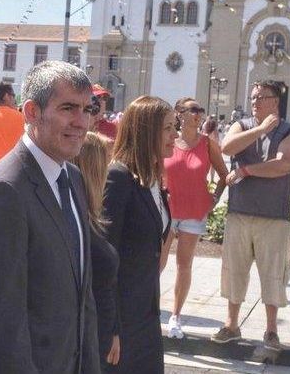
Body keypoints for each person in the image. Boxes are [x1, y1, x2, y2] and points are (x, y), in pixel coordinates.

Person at [0, 61, 100, 373]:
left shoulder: (73, 179)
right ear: (31, 112)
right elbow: (2, 324)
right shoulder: (3, 191)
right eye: (68, 108)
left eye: (86, 109)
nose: (81, 121)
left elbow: (83, 298)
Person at [212, 80, 290, 348]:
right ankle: (231, 324)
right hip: (239, 212)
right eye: (253, 97)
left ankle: (271, 330)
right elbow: (227, 147)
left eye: (261, 97)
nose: (255, 102)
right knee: (234, 271)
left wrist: (247, 170)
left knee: (272, 274)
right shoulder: (244, 125)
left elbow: (282, 165)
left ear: (276, 101)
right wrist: (260, 129)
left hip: (274, 216)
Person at [102, 96, 176, 373]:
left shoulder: (153, 178)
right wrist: (111, 327)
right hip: (122, 321)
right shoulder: (119, 177)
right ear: (146, 130)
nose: (175, 135)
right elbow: (106, 256)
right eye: (168, 128)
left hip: (147, 314)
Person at [161, 97, 228, 339]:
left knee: (184, 264)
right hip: (167, 208)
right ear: (179, 113)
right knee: (158, 262)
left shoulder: (207, 144)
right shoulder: (168, 140)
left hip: (194, 210)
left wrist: (214, 199)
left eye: (201, 110)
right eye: (193, 110)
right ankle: (147, 309)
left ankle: (175, 316)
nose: (199, 114)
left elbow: (223, 174)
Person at [73, 131, 120, 367]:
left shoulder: (92, 216)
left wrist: (114, 330)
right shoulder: (79, 219)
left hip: (99, 334)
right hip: (85, 342)